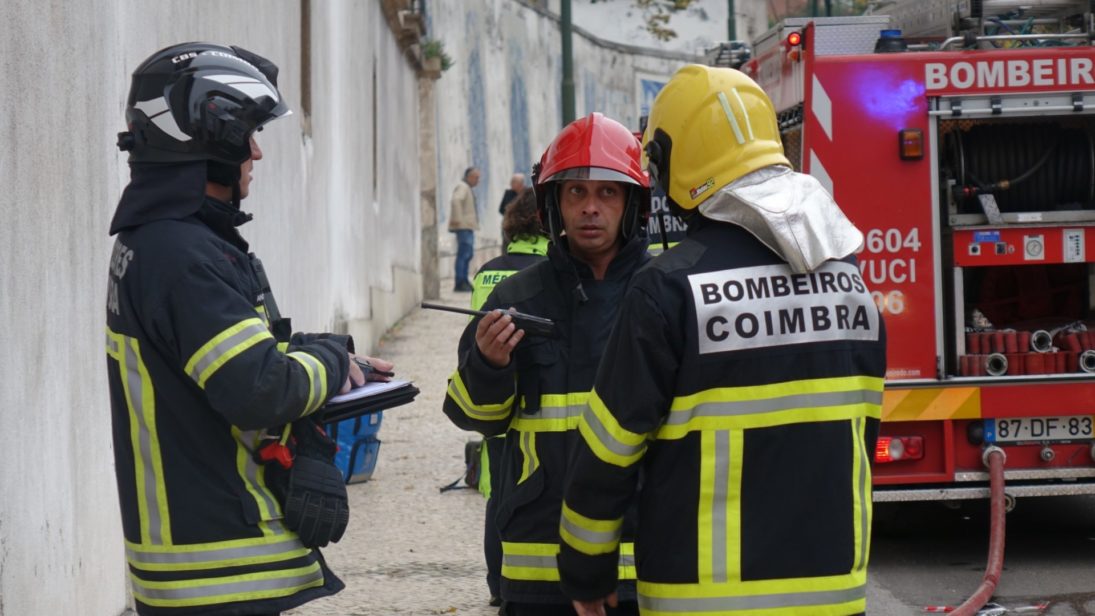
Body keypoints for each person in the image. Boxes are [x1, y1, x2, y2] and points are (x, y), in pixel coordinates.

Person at [557, 65, 886, 616]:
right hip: (835, 593)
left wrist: (586, 575)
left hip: (704, 598)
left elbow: (608, 450)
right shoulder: (848, 278)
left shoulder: (667, 288)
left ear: (671, 163)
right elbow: (860, 431)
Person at [106, 42, 393, 616]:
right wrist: (334, 363)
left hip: (206, 556)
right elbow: (259, 390)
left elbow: (232, 359)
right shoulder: (183, 255)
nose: (257, 153)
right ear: (209, 138)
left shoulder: (164, 243)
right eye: (247, 135)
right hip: (218, 563)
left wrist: (314, 349)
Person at [442, 112, 651, 616]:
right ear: (554, 204)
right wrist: (490, 364)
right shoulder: (518, 296)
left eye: (608, 193)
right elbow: (473, 417)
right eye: (575, 193)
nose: (591, 209)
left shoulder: (662, 292)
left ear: (631, 204)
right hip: (539, 566)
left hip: (643, 563)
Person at [468, 187, 550, 608]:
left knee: (496, 491)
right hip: (538, 396)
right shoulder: (549, 270)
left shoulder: (487, 272)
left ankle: (497, 583)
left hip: (491, 388)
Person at [450, 166, 482, 292]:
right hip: (463, 227)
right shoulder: (463, 187)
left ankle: (463, 280)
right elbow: (455, 200)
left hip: (466, 226)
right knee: (464, 255)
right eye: (476, 177)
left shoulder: (467, 188)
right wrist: (458, 220)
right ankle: (460, 282)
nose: (478, 181)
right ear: (469, 177)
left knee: (467, 254)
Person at [498, 173, 527, 248]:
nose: (510, 183)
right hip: (509, 225)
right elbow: (501, 209)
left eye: (513, 181)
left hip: (523, 226)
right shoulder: (508, 193)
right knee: (506, 247)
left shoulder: (528, 193)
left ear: (520, 183)